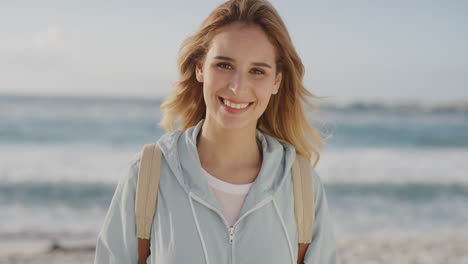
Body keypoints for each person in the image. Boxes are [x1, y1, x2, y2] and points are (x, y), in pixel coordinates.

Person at [94, 0, 337, 263]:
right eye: (224, 65)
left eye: (257, 71)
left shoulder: (301, 184)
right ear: (200, 68)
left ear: (276, 81)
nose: (237, 86)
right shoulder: (147, 174)